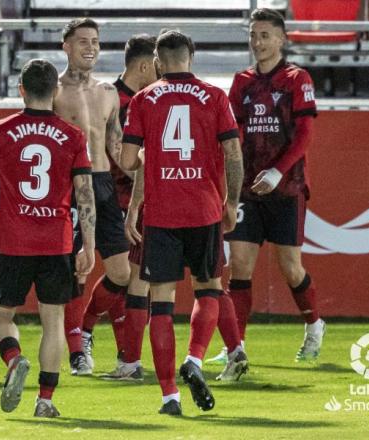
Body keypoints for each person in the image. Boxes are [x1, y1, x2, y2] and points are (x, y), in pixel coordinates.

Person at [121, 30, 244, 416]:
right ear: (191, 57)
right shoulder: (215, 96)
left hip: (162, 213)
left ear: (158, 61)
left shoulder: (143, 99)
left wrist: (137, 199)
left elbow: (128, 160)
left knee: (161, 302)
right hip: (204, 209)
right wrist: (232, 201)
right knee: (209, 288)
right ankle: (194, 358)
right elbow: (233, 153)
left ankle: (169, 396)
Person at [0, 59, 96, 417]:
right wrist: (87, 243)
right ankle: (45, 400)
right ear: (55, 91)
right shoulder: (74, 136)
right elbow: (84, 194)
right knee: (53, 320)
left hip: (14, 241)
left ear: (21, 89)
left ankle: (13, 359)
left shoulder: (0, 131)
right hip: (57, 242)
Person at [224, 8, 326, 363]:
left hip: (287, 188)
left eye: (265, 35)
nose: (258, 42)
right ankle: (235, 347)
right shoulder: (241, 82)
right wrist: (232, 179)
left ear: (282, 38)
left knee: (290, 266)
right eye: (253, 35)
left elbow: (305, 135)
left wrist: (279, 171)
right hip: (248, 189)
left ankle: (314, 325)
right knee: (239, 263)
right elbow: (232, 135)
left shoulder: (297, 79)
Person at [54, 18, 132, 375]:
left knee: (121, 272)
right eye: (82, 41)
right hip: (68, 186)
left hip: (103, 185)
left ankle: (84, 327)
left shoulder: (108, 92)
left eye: (96, 42)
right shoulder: (52, 91)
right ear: (66, 47)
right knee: (78, 270)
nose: (90, 47)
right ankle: (76, 352)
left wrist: (148, 175)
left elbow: (116, 147)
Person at [84, 33, 156, 381]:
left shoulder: (148, 99)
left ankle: (125, 357)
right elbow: (117, 152)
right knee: (128, 277)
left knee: (134, 279)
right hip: (112, 200)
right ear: (144, 65)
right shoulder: (111, 98)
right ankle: (90, 335)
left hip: (140, 200)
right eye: (157, 66)